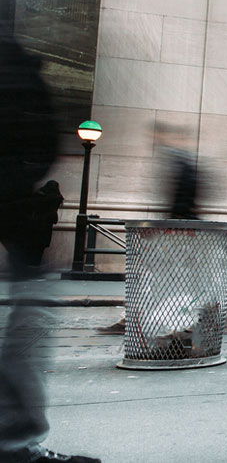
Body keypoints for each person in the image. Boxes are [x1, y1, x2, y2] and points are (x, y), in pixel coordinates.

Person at [1, 39, 102, 463]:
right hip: (16, 201)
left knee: (33, 309)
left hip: (19, 205)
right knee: (31, 312)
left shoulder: (17, 58)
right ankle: (16, 447)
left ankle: (17, 446)